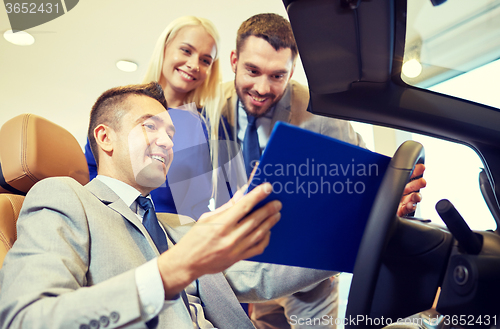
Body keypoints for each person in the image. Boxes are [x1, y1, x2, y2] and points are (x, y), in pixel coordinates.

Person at [0, 82, 335, 329]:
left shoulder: (175, 226)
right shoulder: (64, 198)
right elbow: (25, 320)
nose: (167, 141)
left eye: (172, 134)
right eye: (150, 126)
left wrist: (357, 237)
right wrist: (170, 271)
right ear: (105, 138)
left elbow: (260, 275)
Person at [219, 13, 427, 328]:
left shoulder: (323, 113)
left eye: (278, 76)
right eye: (252, 71)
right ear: (234, 60)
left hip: (308, 267)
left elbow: (360, 178)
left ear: (292, 72)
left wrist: (389, 198)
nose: (262, 87)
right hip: (250, 256)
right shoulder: (212, 106)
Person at [84, 16, 231, 219]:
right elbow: (93, 168)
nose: (194, 64)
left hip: (183, 234)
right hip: (120, 224)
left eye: (205, 60)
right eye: (186, 51)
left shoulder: (211, 124)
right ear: (165, 48)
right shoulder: (122, 106)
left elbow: (219, 195)